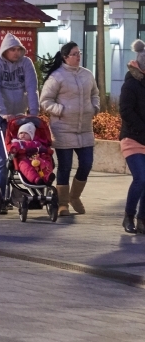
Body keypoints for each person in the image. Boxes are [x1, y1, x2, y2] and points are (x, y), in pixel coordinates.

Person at [40, 41, 100, 216]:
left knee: (87, 164)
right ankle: (62, 203)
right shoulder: (57, 76)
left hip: (85, 129)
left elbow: (95, 93)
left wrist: (94, 107)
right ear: (65, 57)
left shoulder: (87, 75)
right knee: (65, 166)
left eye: (79, 53)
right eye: (74, 54)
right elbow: (45, 101)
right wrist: (61, 110)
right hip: (63, 128)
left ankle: (75, 196)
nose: (78, 56)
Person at [0, 33, 39, 213]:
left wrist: (34, 112)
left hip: (19, 116)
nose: (16, 53)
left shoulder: (26, 63)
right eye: (12, 50)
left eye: (18, 49)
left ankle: (18, 192)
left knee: (20, 154)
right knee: (2, 158)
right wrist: (2, 112)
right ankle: (0, 196)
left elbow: (32, 88)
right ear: (5, 51)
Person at [119, 40, 145, 234]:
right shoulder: (131, 84)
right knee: (141, 178)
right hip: (133, 139)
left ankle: (142, 219)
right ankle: (128, 216)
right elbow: (126, 111)